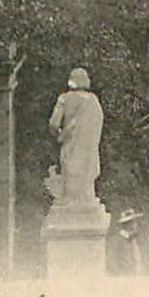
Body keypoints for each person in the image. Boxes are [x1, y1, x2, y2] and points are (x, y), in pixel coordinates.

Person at [47, 67, 104, 207]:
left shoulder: (64, 99)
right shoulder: (93, 101)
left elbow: (53, 124)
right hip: (88, 149)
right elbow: (98, 123)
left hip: (71, 146)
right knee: (86, 185)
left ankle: (71, 201)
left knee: (70, 177)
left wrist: (61, 134)